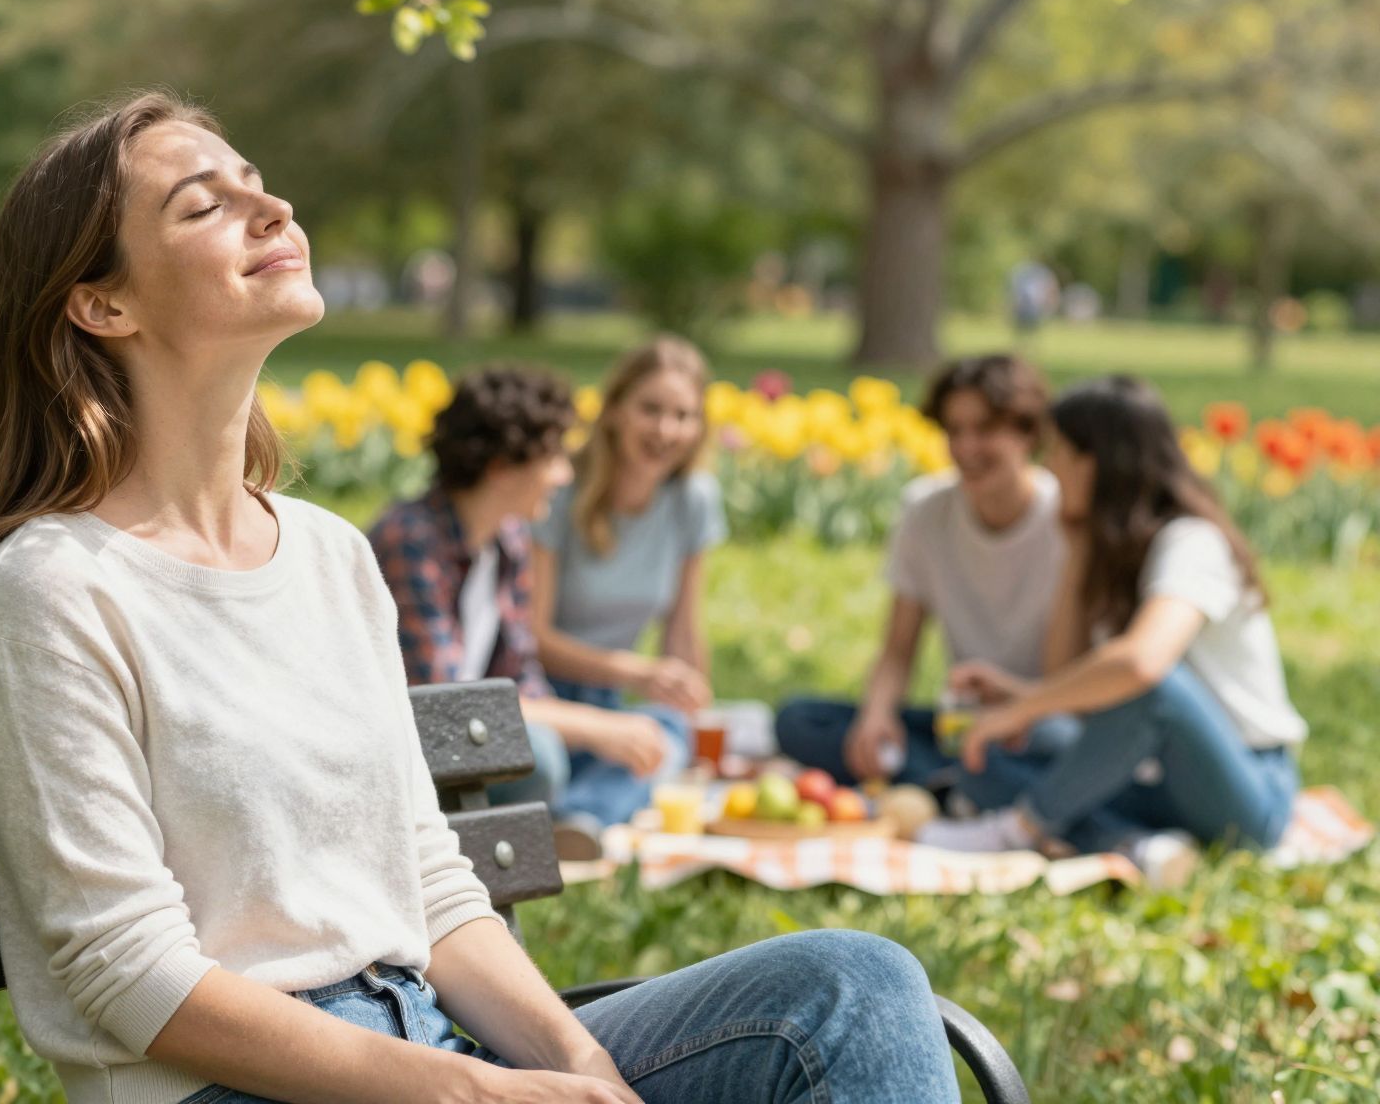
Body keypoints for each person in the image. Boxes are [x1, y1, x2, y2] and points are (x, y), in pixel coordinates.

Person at [0, 89, 958, 1104]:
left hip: (427, 1039)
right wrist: (465, 1093)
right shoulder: (57, 589)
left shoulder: (329, 556)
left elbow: (425, 877)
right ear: (102, 303)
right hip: (235, 1085)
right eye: (204, 206)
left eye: (257, 184)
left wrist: (581, 1069)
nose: (272, 209)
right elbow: (127, 976)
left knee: (852, 989)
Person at [916, 376, 1306, 887]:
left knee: (1156, 688)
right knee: (984, 766)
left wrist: (1021, 707)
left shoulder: (1192, 543)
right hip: (1158, 781)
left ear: (1097, 460)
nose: (1050, 465)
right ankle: (1137, 846)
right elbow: (1067, 677)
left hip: (1250, 791)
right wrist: (1075, 553)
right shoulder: (1115, 550)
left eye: (1060, 450)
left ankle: (1024, 827)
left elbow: (1141, 665)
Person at [369, 365, 691, 860]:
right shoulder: (411, 541)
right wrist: (591, 728)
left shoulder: (507, 541)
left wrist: (603, 729)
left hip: (476, 742)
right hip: (404, 759)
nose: (564, 475)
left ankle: (576, 819)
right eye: (554, 456)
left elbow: (520, 675)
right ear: (501, 466)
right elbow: (446, 706)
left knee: (662, 731)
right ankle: (499, 845)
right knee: (539, 755)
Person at [775, 355, 1076, 811]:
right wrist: (877, 715)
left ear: (1027, 433)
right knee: (799, 720)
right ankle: (957, 790)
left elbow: (1076, 678)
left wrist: (1018, 706)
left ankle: (946, 787)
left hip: (1037, 722)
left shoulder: (1066, 521)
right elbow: (898, 650)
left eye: (984, 430)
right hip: (962, 727)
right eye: (954, 431)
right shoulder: (926, 511)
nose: (966, 447)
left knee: (1056, 744)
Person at [528, 337, 725, 735]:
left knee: (669, 734)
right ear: (615, 410)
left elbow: (683, 631)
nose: (666, 430)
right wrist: (636, 673)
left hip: (612, 694)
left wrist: (691, 710)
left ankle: (592, 796)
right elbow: (533, 637)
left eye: (684, 415)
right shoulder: (559, 491)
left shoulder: (693, 498)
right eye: (650, 409)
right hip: (540, 692)